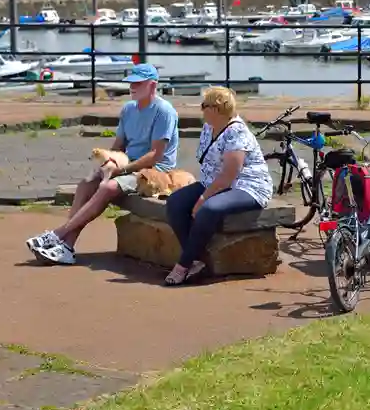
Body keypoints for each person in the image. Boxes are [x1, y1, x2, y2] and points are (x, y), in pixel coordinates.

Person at [25, 63, 179, 265]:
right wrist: (108, 163)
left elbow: (155, 155)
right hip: (127, 165)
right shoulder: (128, 110)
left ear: (152, 85)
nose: (132, 87)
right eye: (131, 82)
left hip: (153, 172)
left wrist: (121, 170)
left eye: (138, 83)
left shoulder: (164, 111)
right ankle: (67, 246)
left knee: (108, 187)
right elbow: (118, 146)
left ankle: (58, 234)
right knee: (86, 184)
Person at [164, 86, 272, 286]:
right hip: (211, 181)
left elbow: (229, 175)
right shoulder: (208, 127)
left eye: (204, 105)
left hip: (247, 185)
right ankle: (196, 260)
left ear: (215, 108)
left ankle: (183, 266)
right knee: (175, 203)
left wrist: (204, 198)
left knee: (208, 209)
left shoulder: (237, 132)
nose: (201, 109)